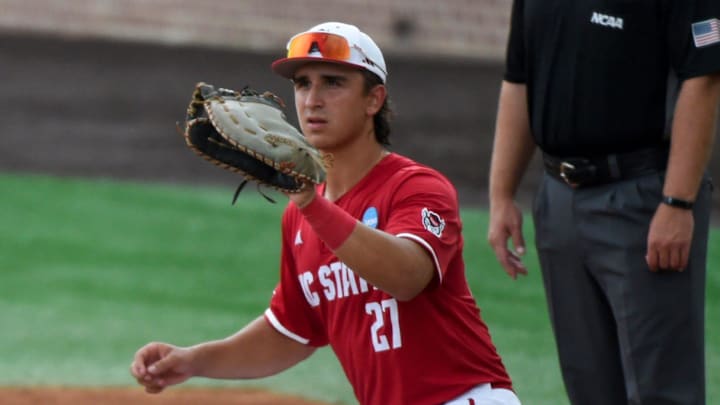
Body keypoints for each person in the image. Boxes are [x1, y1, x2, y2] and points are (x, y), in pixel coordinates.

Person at [131, 21, 521, 405]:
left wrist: (312, 206)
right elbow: (289, 332)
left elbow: (407, 277)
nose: (312, 99)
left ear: (374, 99)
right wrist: (192, 360)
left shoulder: (415, 187)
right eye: (303, 83)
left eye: (333, 82)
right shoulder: (301, 212)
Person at [488, 1, 720, 404]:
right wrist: (501, 194)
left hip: (645, 198)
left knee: (661, 391)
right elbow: (519, 78)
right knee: (589, 387)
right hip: (559, 197)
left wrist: (678, 202)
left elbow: (703, 78)